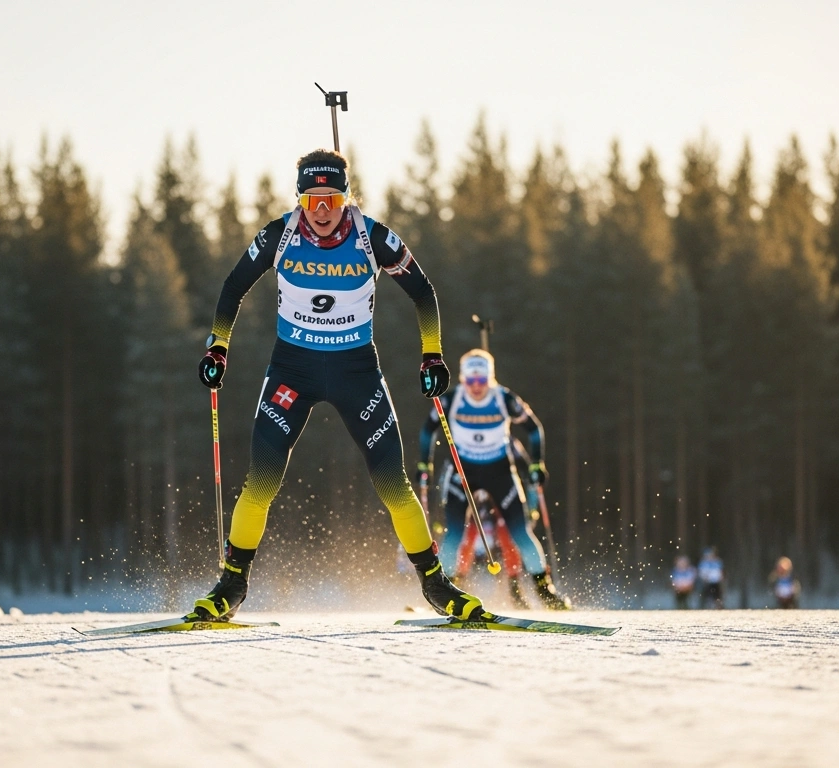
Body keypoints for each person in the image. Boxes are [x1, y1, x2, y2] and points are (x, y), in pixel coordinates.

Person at [189, 149, 490, 622]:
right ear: (300, 201)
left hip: (356, 373)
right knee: (261, 480)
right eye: (312, 201)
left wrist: (432, 354)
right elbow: (234, 285)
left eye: (331, 199)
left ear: (346, 197)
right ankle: (231, 583)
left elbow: (423, 292)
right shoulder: (279, 234)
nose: (322, 210)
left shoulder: (373, 238)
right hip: (293, 372)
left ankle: (436, 584)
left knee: (394, 482)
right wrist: (217, 346)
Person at [415, 349, 571, 610]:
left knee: (521, 533)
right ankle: (443, 593)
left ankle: (545, 591)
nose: (477, 387)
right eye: (471, 381)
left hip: (499, 470)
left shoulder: (504, 399)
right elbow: (427, 430)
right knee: (453, 535)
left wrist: (536, 464)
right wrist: (424, 464)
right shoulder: (452, 399)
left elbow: (534, 429)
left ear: (491, 378)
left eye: (482, 380)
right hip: (463, 471)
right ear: (464, 380)